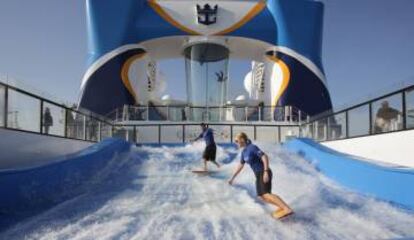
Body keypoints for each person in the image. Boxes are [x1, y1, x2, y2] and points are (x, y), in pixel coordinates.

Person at [228, 132, 293, 219]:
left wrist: (266, 171)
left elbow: (264, 156)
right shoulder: (244, 152)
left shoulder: (252, 147)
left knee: (266, 194)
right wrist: (233, 178)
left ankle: (286, 208)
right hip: (258, 174)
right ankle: (282, 207)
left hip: (263, 171)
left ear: (242, 140)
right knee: (262, 196)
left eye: (236, 141)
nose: (235, 143)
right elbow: (240, 165)